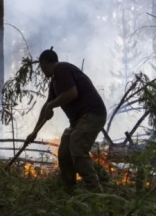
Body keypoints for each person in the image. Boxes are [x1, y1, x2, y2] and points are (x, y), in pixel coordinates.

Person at [26, 48, 107, 192]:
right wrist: (34, 132)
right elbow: (46, 108)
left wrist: (52, 105)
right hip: (77, 121)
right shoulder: (54, 82)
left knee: (77, 144)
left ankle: (95, 191)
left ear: (45, 63)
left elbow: (72, 93)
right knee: (64, 152)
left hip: (92, 114)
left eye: (41, 67)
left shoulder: (61, 68)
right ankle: (69, 190)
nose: (42, 71)